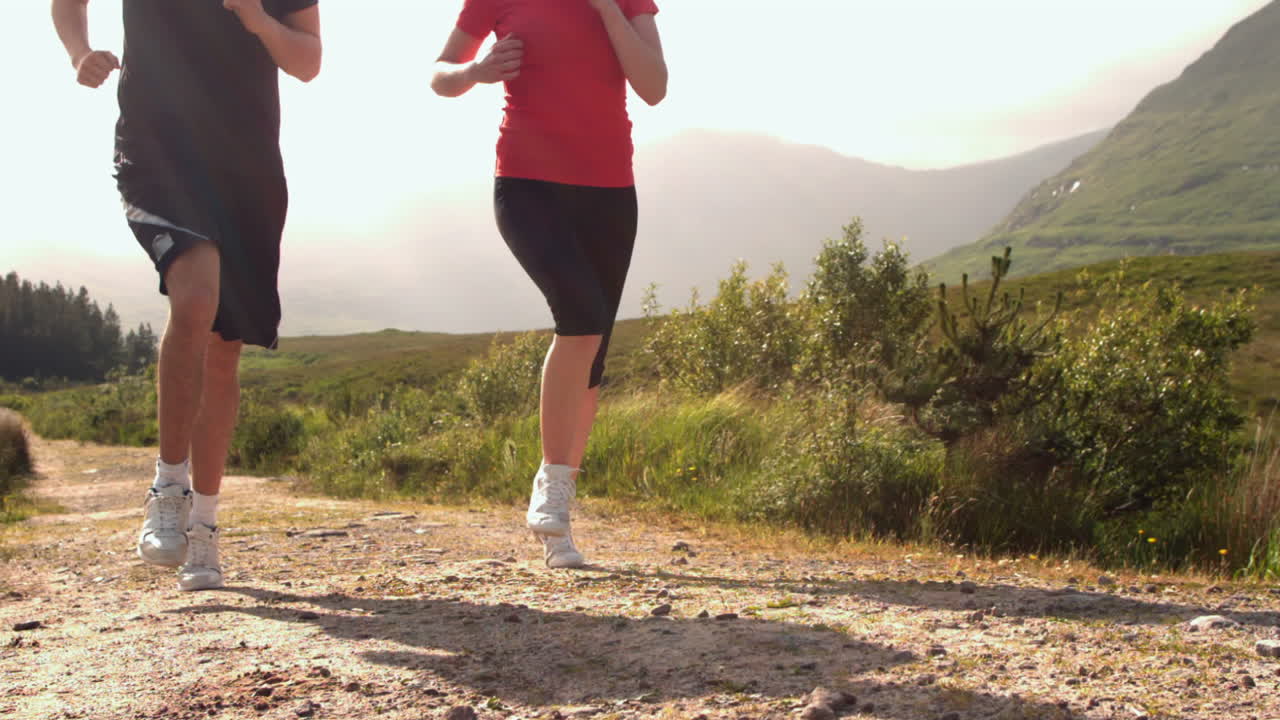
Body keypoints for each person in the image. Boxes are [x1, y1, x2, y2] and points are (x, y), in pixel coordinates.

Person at [51, 0, 322, 591]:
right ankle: (167, 487)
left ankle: (205, 528)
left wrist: (257, 19)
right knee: (195, 300)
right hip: (158, 153)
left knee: (225, 346)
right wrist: (79, 53)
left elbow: (308, 60)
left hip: (247, 170)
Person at [431, 0, 667, 568]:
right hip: (527, 184)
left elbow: (654, 85)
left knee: (593, 351)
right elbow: (441, 73)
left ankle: (558, 524)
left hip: (609, 192)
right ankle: (551, 488)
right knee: (581, 315)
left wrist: (608, 10)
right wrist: (477, 73)